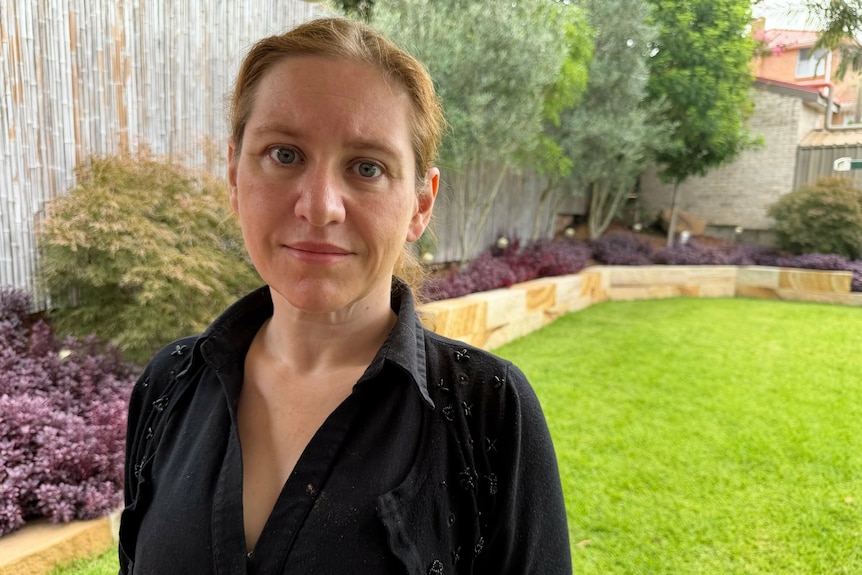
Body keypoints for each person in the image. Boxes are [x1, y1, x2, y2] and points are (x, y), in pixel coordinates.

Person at [119, 17, 571, 574]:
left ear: (420, 204)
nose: (319, 206)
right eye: (284, 154)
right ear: (235, 176)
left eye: (367, 167)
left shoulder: (489, 412)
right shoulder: (169, 385)